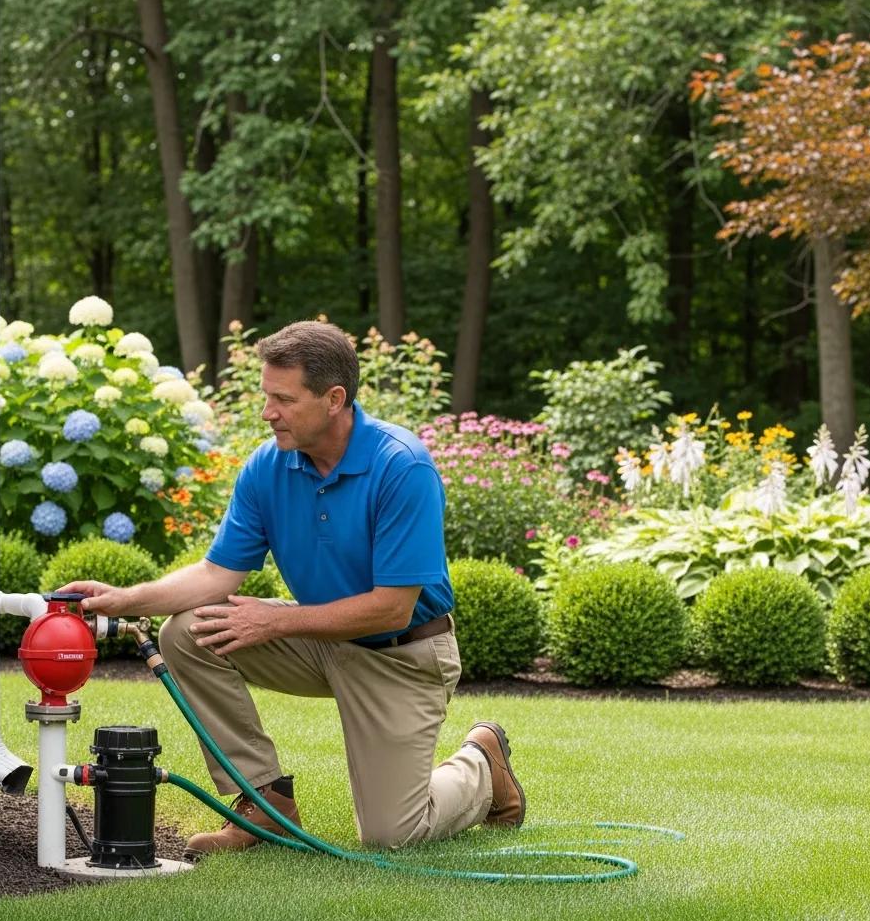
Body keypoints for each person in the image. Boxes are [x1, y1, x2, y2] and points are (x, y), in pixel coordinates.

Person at [60, 320, 525, 857]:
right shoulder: (266, 467)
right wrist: (124, 598)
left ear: (334, 399)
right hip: (320, 639)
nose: (268, 412)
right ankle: (265, 801)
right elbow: (218, 575)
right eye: (266, 396)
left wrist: (274, 620)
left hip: (404, 653)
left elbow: (393, 608)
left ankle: (481, 764)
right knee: (189, 631)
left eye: (283, 398)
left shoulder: (402, 467)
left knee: (394, 833)